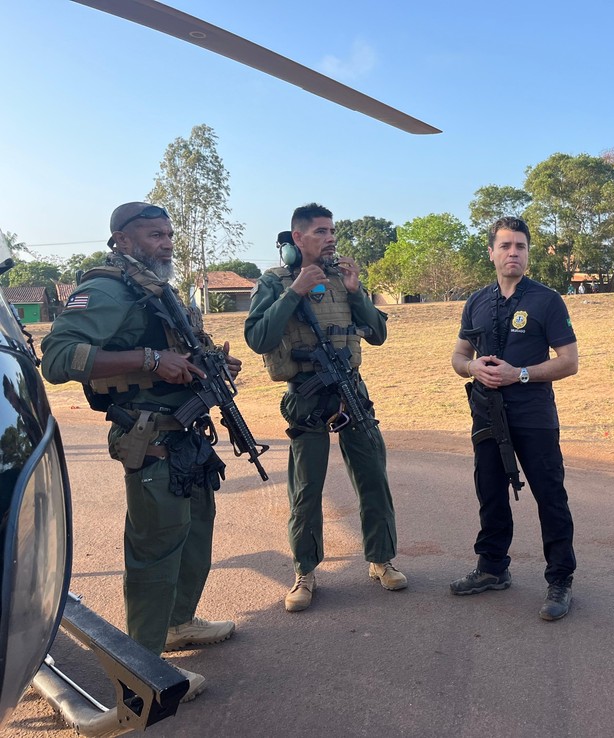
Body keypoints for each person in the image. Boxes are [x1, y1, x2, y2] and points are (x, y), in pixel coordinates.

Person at [40, 202, 239, 702]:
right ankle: (141, 677)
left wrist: (209, 361)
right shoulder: (105, 290)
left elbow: (177, 347)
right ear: (123, 241)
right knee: (156, 548)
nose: (167, 242)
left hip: (186, 433)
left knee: (195, 530)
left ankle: (176, 625)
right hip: (149, 438)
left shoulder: (157, 290)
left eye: (169, 233)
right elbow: (59, 358)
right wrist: (151, 360)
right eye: (154, 235)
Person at [244, 203, 406, 612]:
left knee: (372, 476)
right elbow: (259, 338)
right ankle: (305, 571)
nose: (330, 237)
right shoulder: (273, 281)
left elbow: (379, 335)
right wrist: (295, 290)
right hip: (306, 395)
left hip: (352, 390)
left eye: (331, 230)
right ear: (297, 238)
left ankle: (381, 560)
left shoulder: (344, 278)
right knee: (306, 488)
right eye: (320, 231)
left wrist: (357, 293)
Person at [449, 216, 579, 621]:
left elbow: (569, 362)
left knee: (550, 496)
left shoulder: (546, 300)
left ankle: (560, 580)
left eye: (520, 246)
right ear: (491, 252)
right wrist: (473, 369)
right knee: (489, 491)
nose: (513, 253)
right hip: (487, 413)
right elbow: (458, 357)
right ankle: (491, 568)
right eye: (505, 246)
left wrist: (518, 374)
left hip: (534, 415)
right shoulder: (477, 301)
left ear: (527, 253)